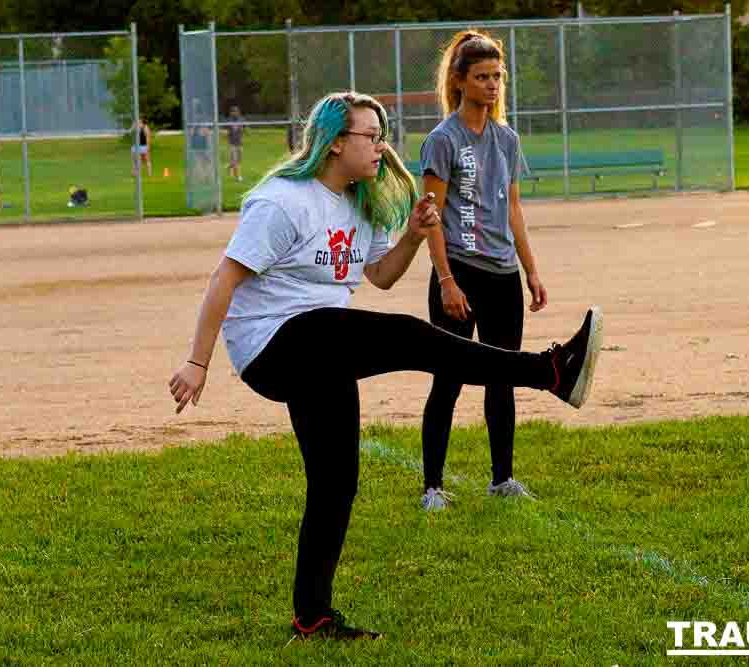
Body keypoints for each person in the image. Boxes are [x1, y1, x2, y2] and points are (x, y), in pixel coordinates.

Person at [167, 91, 604, 641]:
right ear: (334, 143)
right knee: (409, 337)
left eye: (382, 136)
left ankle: (312, 617)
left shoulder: (360, 202)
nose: (380, 146)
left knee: (336, 484)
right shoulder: (283, 201)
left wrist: (415, 237)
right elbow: (224, 279)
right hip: (273, 345)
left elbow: (381, 276)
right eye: (369, 136)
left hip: (323, 348)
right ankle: (550, 371)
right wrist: (197, 361)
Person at [417, 31, 547, 512]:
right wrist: (446, 280)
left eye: (497, 76)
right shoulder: (443, 140)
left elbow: (513, 209)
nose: (492, 85)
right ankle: (433, 487)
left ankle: (503, 478)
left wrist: (531, 270)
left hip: (502, 275)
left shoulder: (507, 139)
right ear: (459, 80)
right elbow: (431, 217)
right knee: (447, 379)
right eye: (482, 77)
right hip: (460, 273)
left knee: (503, 377)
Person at [227, 106, 245, 182]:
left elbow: (244, 129)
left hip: (240, 143)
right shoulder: (229, 120)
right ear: (231, 113)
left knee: (239, 160)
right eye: (233, 111)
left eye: (236, 111)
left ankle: (230, 166)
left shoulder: (241, 119)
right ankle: (238, 176)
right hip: (232, 144)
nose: (235, 113)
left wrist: (243, 131)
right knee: (235, 160)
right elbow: (226, 131)